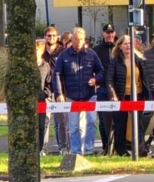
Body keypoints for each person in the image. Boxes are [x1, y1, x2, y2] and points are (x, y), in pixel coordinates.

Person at [53, 27, 105, 156]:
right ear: (72, 39)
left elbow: (101, 71)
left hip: (89, 95)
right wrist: (59, 93)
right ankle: (76, 152)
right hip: (72, 95)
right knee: (74, 126)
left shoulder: (91, 54)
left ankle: (88, 150)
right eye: (76, 39)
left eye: (81, 39)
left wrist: (95, 79)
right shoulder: (64, 55)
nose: (79, 41)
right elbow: (57, 74)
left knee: (92, 121)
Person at [106, 35, 148, 157]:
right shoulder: (115, 61)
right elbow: (109, 79)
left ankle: (141, 150)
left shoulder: (139, 60)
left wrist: (147, 94)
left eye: (130, 43)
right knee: (120, 124)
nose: (128, 45)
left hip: (137, 95)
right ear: (119, 46)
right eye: (125, 43)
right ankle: (121, 151)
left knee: (138, 123)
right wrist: (113, 95)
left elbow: (144, 79)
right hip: (121, 96)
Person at [42, 26, 69, 152]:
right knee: (45, 122)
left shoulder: (62, 52)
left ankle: (63, 148)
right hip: (45, 92)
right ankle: (43, 148)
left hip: (59, 92)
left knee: (61, 122)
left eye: (53, 35)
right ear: (44, 37)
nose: (51, 37)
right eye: (49, 35)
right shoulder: (40, 52)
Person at [93, 23, 117, 154]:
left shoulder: (118, 49)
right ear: (103, 34)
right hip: (102, 88)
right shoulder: (96, 50)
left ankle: (117, 147)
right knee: (103, 120)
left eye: (111, 32)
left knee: (118, 118)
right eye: (107, 32)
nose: (109, 35)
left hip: (116, 88)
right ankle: (106, 147)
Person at [36, 39, 53, 154]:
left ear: (41, 51)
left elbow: (49, 84)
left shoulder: (46, 66)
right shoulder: (26, 67)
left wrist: (44, 94)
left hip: (42, 101)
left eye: (36, 50)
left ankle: (41, 149)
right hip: (29, 102)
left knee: (42, 125)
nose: (34, 52)